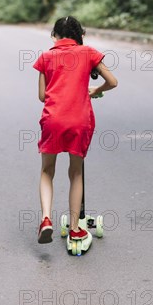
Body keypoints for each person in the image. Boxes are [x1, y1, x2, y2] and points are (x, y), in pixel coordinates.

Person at [33, 16, 117, 244]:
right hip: (79, 120)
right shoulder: (88, 52)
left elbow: (42, 96)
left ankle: (46, 219)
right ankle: (74, 228)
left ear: (55, 35)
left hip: (53, 119)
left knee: (47, 171)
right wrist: (94, 90)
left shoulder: (46, 56)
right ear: (80, 34)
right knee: (76, 173)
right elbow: (113, 81)